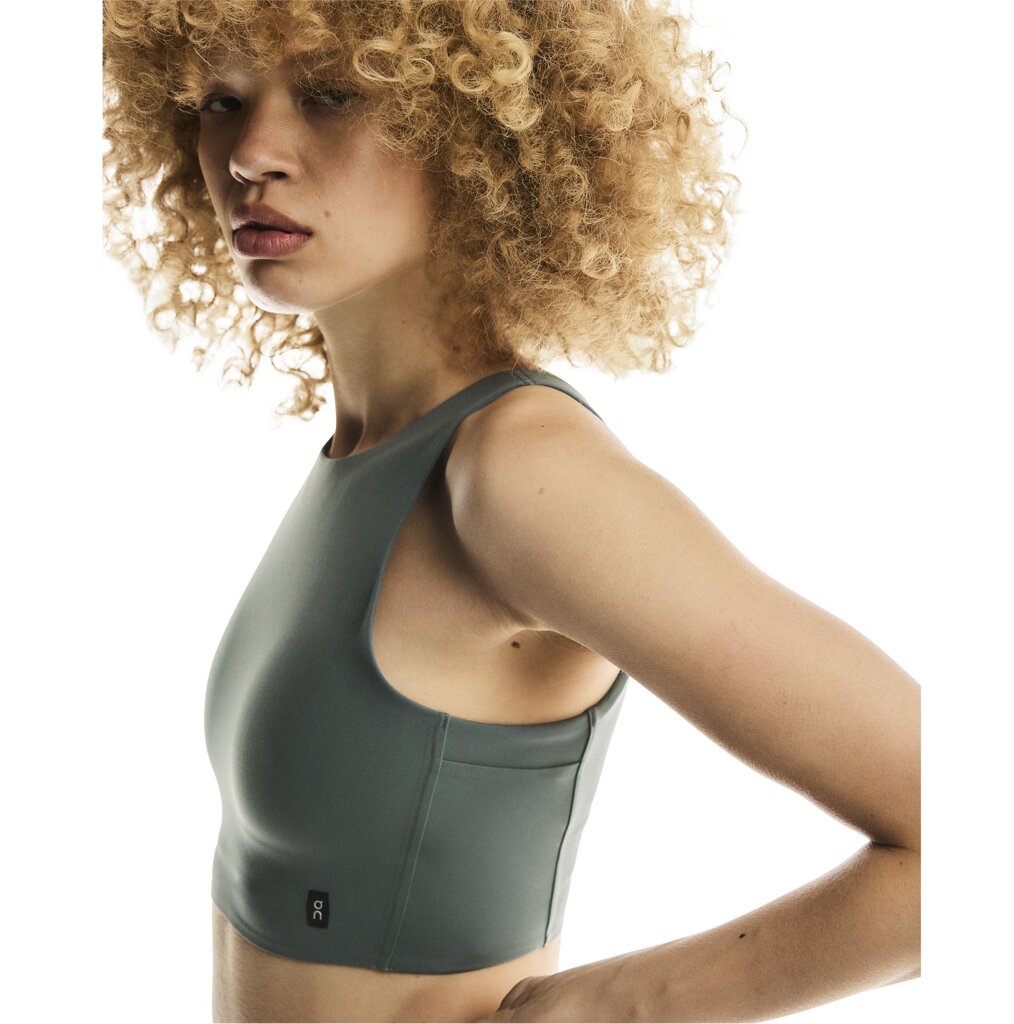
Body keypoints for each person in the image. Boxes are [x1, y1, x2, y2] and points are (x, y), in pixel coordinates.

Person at [102, 1, 920, 1021]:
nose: (250, 154)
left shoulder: (516, 476)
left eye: (331, 94)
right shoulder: (371, 450)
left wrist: (611, 1006)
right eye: (222, 101)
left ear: (473, 126)